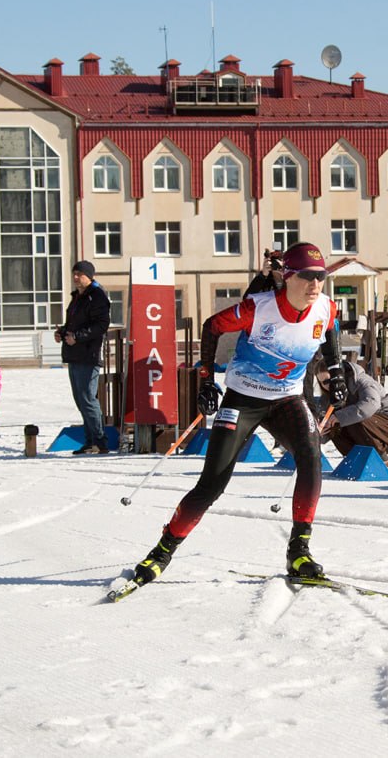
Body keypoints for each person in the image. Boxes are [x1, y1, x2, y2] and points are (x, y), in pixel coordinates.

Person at [128, 242, 347, 589]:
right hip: (243, 399)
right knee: (212, 483)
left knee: (311, 457)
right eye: (306, 277)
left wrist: (336, 372)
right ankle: (161, 552)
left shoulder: (324, 306)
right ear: (287, 277)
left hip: (286, 398)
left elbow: (330, 328)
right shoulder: (257, 308)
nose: (315, 285)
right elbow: (212, 326)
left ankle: (299, 551)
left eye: (320, 277)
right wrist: (206, 381)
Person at [55, 261, 111, 455]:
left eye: (80, 274)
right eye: (74, 273)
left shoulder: (96, 296)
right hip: (75, 355)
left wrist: (77, 337)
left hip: (89, 354)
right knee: (80, 399)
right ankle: (89, 441)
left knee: (88, 398)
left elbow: (101, 325)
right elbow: (74, 323)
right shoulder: (78, 297)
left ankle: (100, 441)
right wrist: (63, 333)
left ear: (89, 275)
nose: (76, 277)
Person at [318, 360, 388, 467]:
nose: (326, 385)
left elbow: (371, 405)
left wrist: (339, 416)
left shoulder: (361, 381)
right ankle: (356, 459)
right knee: (334, 425)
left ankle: (381, 459)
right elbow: (324, 426)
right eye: (322, 382)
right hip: (370, 432)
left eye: (328, 380)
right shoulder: (328, 397)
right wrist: (319, 432)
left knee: (352, 417)